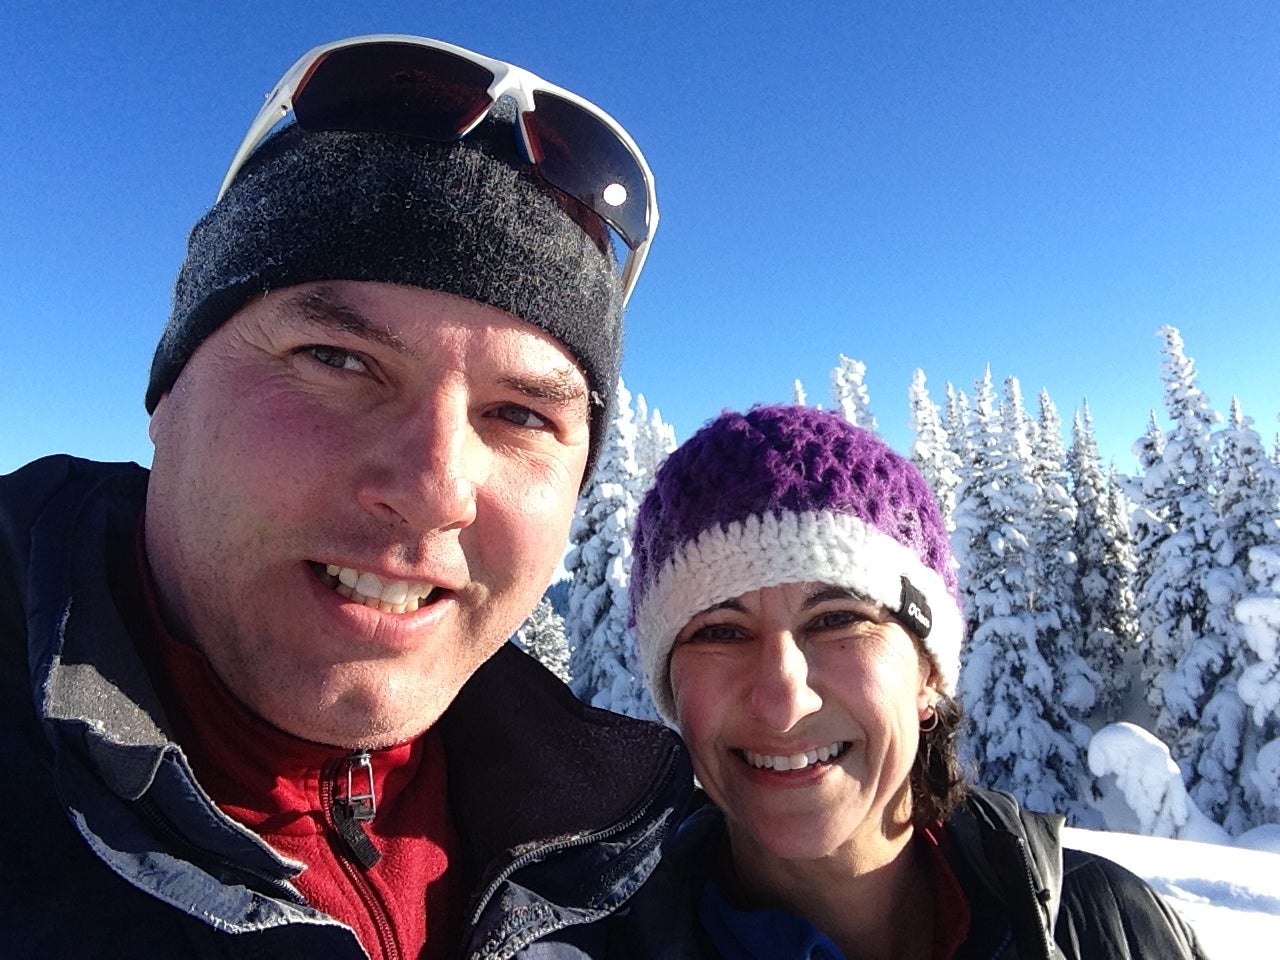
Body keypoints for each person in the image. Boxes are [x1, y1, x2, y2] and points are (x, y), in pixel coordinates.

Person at [0, 34, 689, 959]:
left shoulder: (636, 861)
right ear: (167, 390)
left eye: (521, 414)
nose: (435, 488)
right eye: (336, 359)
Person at [620, 405, 1207, 960]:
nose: (782, 700)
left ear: (926, 671)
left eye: (836, 619)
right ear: (672, 689)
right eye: (721, 632)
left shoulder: (1109, 927)